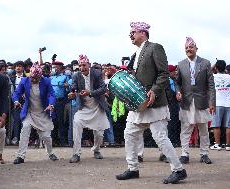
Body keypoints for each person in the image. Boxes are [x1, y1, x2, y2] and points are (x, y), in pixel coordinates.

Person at [116, 21, 186, 184]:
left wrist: (154, 90)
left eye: (133, 32)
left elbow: (164, 73)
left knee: (160, 137)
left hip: (154, 102)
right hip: (138, 103)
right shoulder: (135, 54)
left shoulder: (155, 47)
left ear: (143, 33)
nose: (130, 35)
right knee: (129, 134)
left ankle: (179, 170)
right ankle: (133, 168)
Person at [176, 37, 215, 165]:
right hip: (186, 101)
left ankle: (204, 154)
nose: (188, 49)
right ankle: (184, 154)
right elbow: (178, 83)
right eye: (186, 48)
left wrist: (211, 102)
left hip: (202, 101)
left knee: (203, 129)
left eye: (191, 47)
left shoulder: (205, 63)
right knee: (186, 129)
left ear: (196, 49)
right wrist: (178, 91)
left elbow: (211, 85)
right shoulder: (180, 64)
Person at [12, 63, 58, 164]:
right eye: (32, 77)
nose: (34, 80)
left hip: (43, 112)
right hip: (29, 112)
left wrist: (51, 105)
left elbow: (52, 94)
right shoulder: (24, 80)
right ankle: (21, 156)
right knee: (25, 129)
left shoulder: (46, 81)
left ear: (40, 76)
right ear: (30, 75)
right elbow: (16, 93)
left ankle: (50, 153)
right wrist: (16, 101)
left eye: (36, 78)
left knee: (46, 137)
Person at [68, 54, 109, 163]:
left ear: (89, 65)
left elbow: (103, 88)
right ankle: (76, 153)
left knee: (99, 133)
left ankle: (96, 150)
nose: (82, 68)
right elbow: (74, 87)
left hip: (97, 106)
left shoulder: (97, 73)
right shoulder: (76, 75)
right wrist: (72, 93)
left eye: (84, 65)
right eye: (80, 65)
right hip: (83, 107)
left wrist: (90, 93)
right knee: (76, 124)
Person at [210, 60, 230, 151]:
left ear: (216, 68)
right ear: (225, 68)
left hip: (217, 103)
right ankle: (228, 145)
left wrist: (213, 66)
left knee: (216, 125)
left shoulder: (213, 76)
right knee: (228, 125)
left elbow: (206, 73)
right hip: (228, 103)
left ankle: (217, 144)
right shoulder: (229, 77)